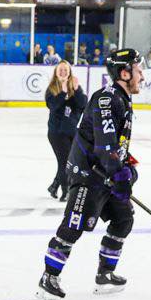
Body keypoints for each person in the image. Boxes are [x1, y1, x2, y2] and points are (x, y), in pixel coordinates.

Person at [34, 49, 142, 300]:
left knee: (123, 219)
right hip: (87, 175)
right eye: (138, 71)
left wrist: (128, 166)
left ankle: (105, 274)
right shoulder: (107, 99)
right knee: (73, 225)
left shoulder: (122, 99)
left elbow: (117, 144)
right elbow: (105, 145)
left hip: (106, 175)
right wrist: (121, 174)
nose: (142, 76)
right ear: (124, 73)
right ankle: (48, 278)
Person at [44, 61, 85, 202]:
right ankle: (65, 191)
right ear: (56, 72)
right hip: (56, 133)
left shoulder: (74, 87)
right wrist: (62, 91)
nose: (63, 72)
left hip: (72, 131)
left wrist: (77, 89)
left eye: (65, 70)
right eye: (60, 70)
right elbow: (53, 106)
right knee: (65, 162)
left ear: (69, 72)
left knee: (67, 161)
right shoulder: (51, 89)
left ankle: (54, 185)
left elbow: (83, 105)